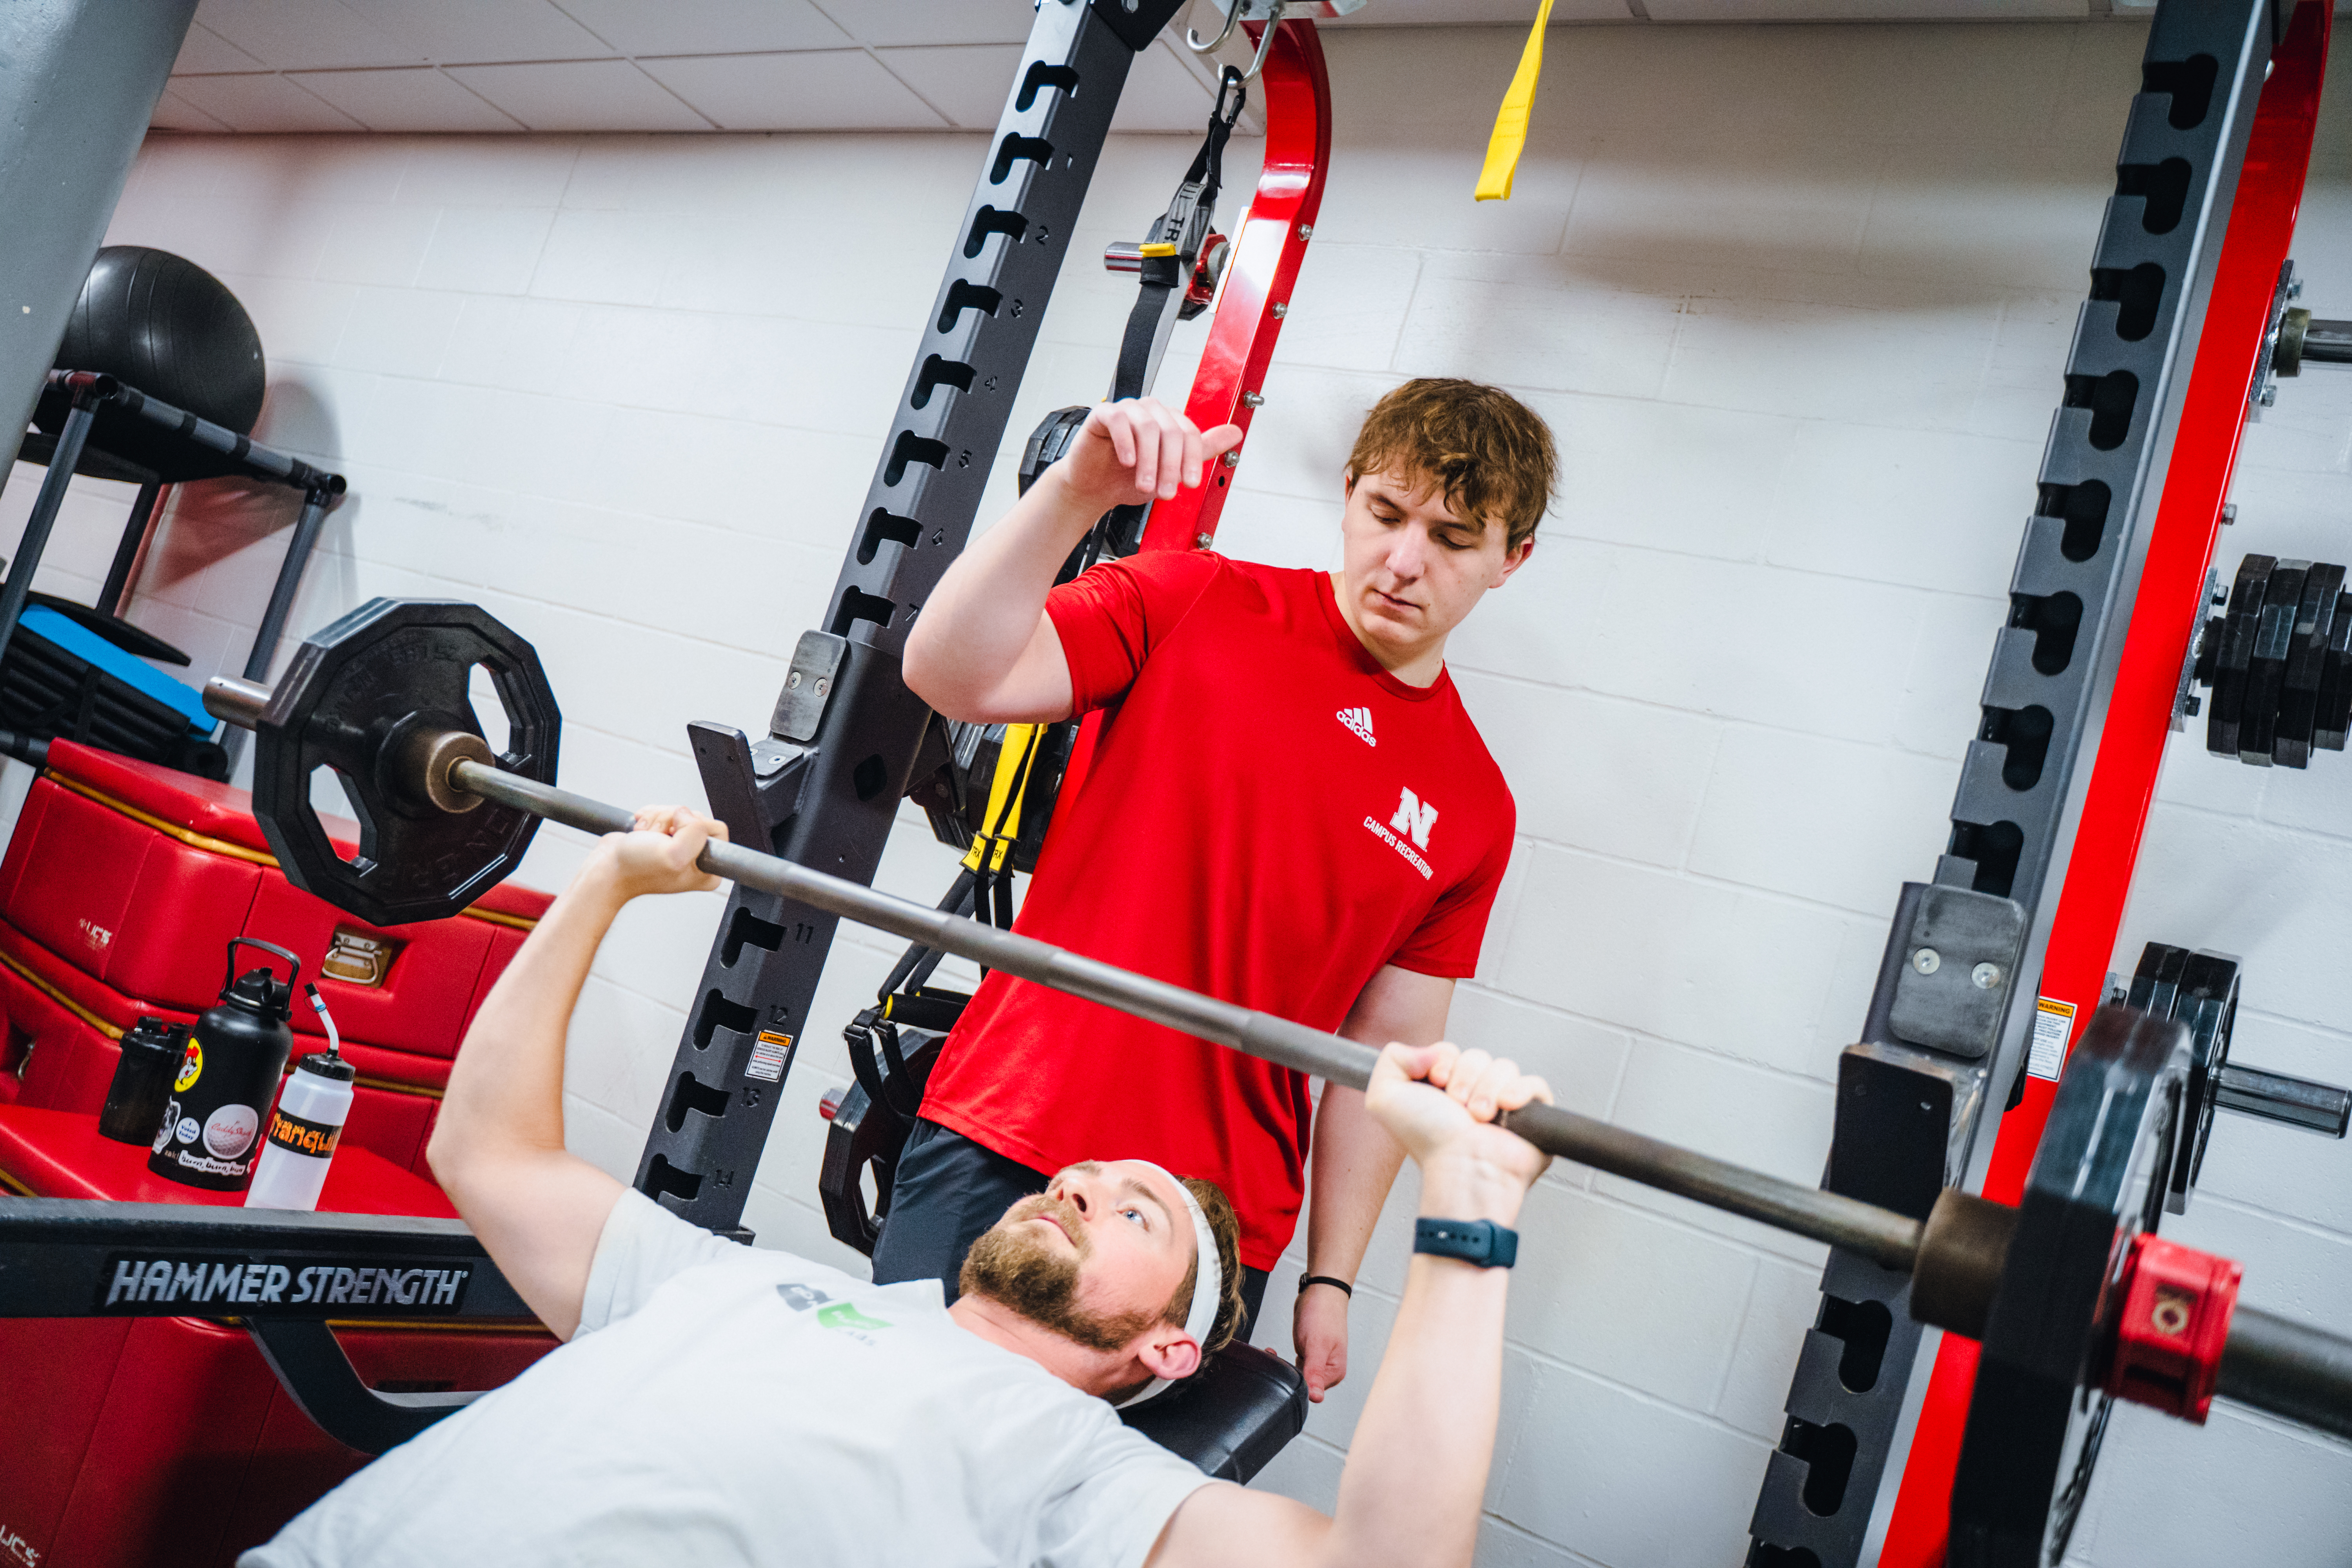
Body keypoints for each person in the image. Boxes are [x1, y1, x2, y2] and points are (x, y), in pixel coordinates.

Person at [244, 807, 1556, 1568]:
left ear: (1168, 1344)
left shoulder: (1085, 1478)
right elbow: (487, 1155)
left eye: (1133, 1212)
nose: (1080, 1189)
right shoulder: (736, 1281)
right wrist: (605, 886)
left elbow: (1378, 1565)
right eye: (1084, 1176)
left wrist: (1467, 1204)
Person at [886, 378, 1554, 1401]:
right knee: (883, 1435)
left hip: (1209, 1227)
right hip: (1012, 1133)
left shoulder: (1473, 807)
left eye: (1455, 539)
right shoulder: (1195, 595)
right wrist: (1074, 493)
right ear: (1348, 496)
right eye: (1385, 515)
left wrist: (1330, 1277)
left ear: (1514, 560)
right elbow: (948, 675)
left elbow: (1377, 1062)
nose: (1406, 561)